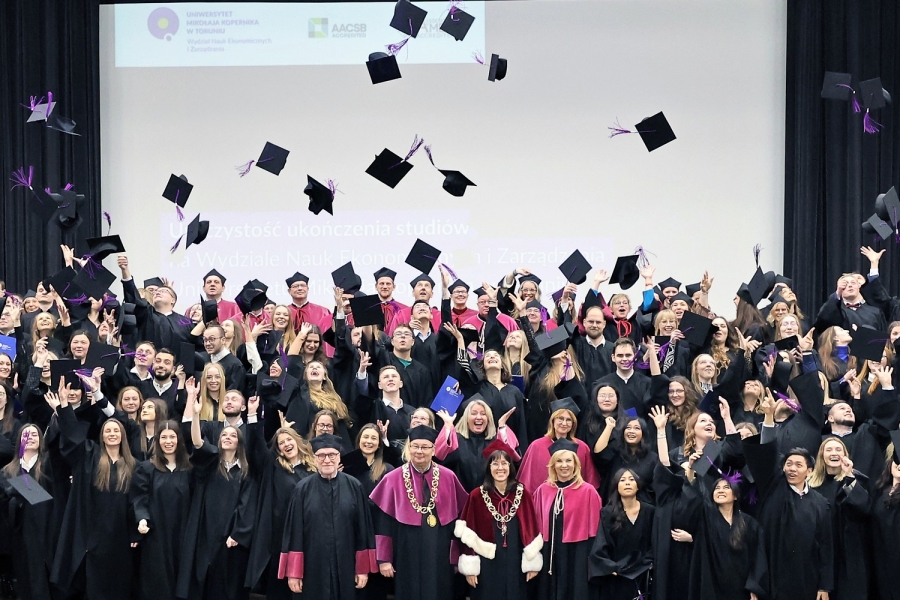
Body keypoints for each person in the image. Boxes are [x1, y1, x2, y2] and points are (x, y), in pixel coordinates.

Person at [51, 386, 137, 600]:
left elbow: (137, 501)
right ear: (102, 435)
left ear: (123, 436)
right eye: (107, 430)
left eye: (116, 430)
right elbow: (72, 439)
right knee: (94, 583)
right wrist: (64, 407)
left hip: (120, 534)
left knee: (119, 583)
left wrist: (134, 531)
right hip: (92, 530)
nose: (112, 433)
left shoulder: (133, 465)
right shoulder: (90, 455)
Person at [177, 380, 257, 600]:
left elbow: (247, 504)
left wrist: (238, 532)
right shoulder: (211, 462)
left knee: (228, 584)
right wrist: (194, 413)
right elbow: (197, 442)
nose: (228, 437)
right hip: (206, 529)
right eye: (224, 436)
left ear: (240, 442)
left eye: (232, 436)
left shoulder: (245, 471)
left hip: (230, 534)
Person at [369, 425, 468, 600]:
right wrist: (384, 559)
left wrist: (456, 557)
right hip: (405, 551)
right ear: (409, 448)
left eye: (424, 447)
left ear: (433, 449)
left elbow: (456, 521)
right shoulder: (393, 478)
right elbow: (383, 523)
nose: (419, 451)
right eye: (415, 446)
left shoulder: (448, 477)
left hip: (439, 552)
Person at [279, 432, 377, 599]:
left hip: (346, 565)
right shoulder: (302, 490)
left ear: (339, 457)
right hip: (312, 566)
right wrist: (294, 573)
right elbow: (294, 532)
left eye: (332, 455)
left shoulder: (354, 487)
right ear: (314, 458)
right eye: (321, 455)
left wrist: (362, 570)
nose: (327, 460)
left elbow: (362, 530)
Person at [743, 431, 833, 600]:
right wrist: (769, 417)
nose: (792, 468)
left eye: (798, 465)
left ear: (810, 470)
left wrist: (824, 586)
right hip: (774, 577)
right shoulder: (774, 490)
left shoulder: (821, 503)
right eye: (788, 464)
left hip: (807, 579)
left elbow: (826, 545)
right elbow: (765, 456)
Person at [245, 400, 316, 600]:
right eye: (281, 443)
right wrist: (252, 416)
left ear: (298, 441)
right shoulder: (274, 466)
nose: (286, 444)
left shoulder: (314, 469)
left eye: (288, 440)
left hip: (308, 535)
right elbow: (256, 449)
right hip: (280, 536)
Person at [454, 441, 543, 600]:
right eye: (495, 464)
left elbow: (532, 529)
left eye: (504, 463)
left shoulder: (524, 494)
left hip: (516, 560)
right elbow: (468, 534)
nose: (500, 468)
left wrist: (532, 562)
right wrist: (470, 568)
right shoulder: (476, 496)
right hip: (487, 562)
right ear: (489, 467)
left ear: (510, 467)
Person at [130, 420, 193, 600]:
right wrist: (142, 518)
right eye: (163, 437)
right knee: (157, 580)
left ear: (179, 440)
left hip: (183, 533)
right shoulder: (147, 468)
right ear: (157, 441)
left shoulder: (189, 469)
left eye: (172, 437)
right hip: (157, 533)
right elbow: (139, 497)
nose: (168, 441)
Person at [532, 438, 601, 600]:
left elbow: (597, 529)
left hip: (578, 552)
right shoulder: (543, 490)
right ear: (553, 465)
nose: (564, 465)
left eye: (569, 461)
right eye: (559, 461)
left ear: (576, 464)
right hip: (549, 550)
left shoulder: (588, 491)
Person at [0, 424, 59, 600]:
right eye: (26, 434)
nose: (31, 437)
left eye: (35, 434)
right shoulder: (6, 472)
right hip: (19, 533)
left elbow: (47, 498)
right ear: (19, 441)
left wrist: (18, 489)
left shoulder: (49, 465)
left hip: (47, 530)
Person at [808, 437, 871, 600]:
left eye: (838, 449)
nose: (834, 453)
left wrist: (849, 475)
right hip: (820, 554)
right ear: (822, 455)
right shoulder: (811, 486)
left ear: (845, 455)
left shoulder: (856, 479)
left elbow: (863, 507)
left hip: (848, 555)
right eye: (829, 450)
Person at [688, 476, 768, 600]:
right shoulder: (706, 519)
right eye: (717, 488)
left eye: (726, 487)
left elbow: (758, 557)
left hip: (742, 589)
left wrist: (754, 587)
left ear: (735, 496)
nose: (720, 490)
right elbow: (694, 500)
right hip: (713, 587)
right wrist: (692, 471)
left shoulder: (749, 523)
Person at [588, 468, 655, 600]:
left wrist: (647, 563)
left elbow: (656, 542)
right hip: (616, 574)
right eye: (622, 480)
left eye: (631, 480)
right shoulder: (607, 513)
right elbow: (601, 544)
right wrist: (610, 567)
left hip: (643, 571)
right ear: (616, 486)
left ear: (638, 486)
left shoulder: (650, 511)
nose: (627, 483)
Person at [434, 398, 520, 491]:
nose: (478, 417)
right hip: (460, 497)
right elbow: (440, 460)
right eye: (474, 413)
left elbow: (513, 461)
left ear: (488, 419)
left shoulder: (495, 441)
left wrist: (502, 427)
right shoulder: (456, 440)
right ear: (466, 418)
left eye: (483, 414)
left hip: (489, 498)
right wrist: (447, 427)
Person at [518, 400, 600, 493]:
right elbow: (527, 482)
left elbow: (590, 480)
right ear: (553, 421)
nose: (564, 423)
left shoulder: (582, 447)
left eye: (569, 420)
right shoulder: (536, 446)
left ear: (573, 424)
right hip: (544, 499)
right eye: (560, 418)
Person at [284, 272, 335, 356]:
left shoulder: (323, 312)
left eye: (303, 285)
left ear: (307, 289)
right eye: (295, 286)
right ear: (289, 291)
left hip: (317, 357)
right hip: (289, 356)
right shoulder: (284, 312)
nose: (300, 288)